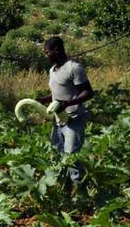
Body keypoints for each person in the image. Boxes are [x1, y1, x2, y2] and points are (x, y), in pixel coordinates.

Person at [36, 37, 94, 188]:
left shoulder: (74, 68)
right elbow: (58, 94)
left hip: (74, 120)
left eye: (47, 52)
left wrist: (67, 104)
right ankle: (65, 187)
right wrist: (44, 99)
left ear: (56, 50)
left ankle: (79, 192)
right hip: (58, 120)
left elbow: (88, 93)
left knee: (71, 158)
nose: (46, 55)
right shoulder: (52, 70)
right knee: (58, 154)